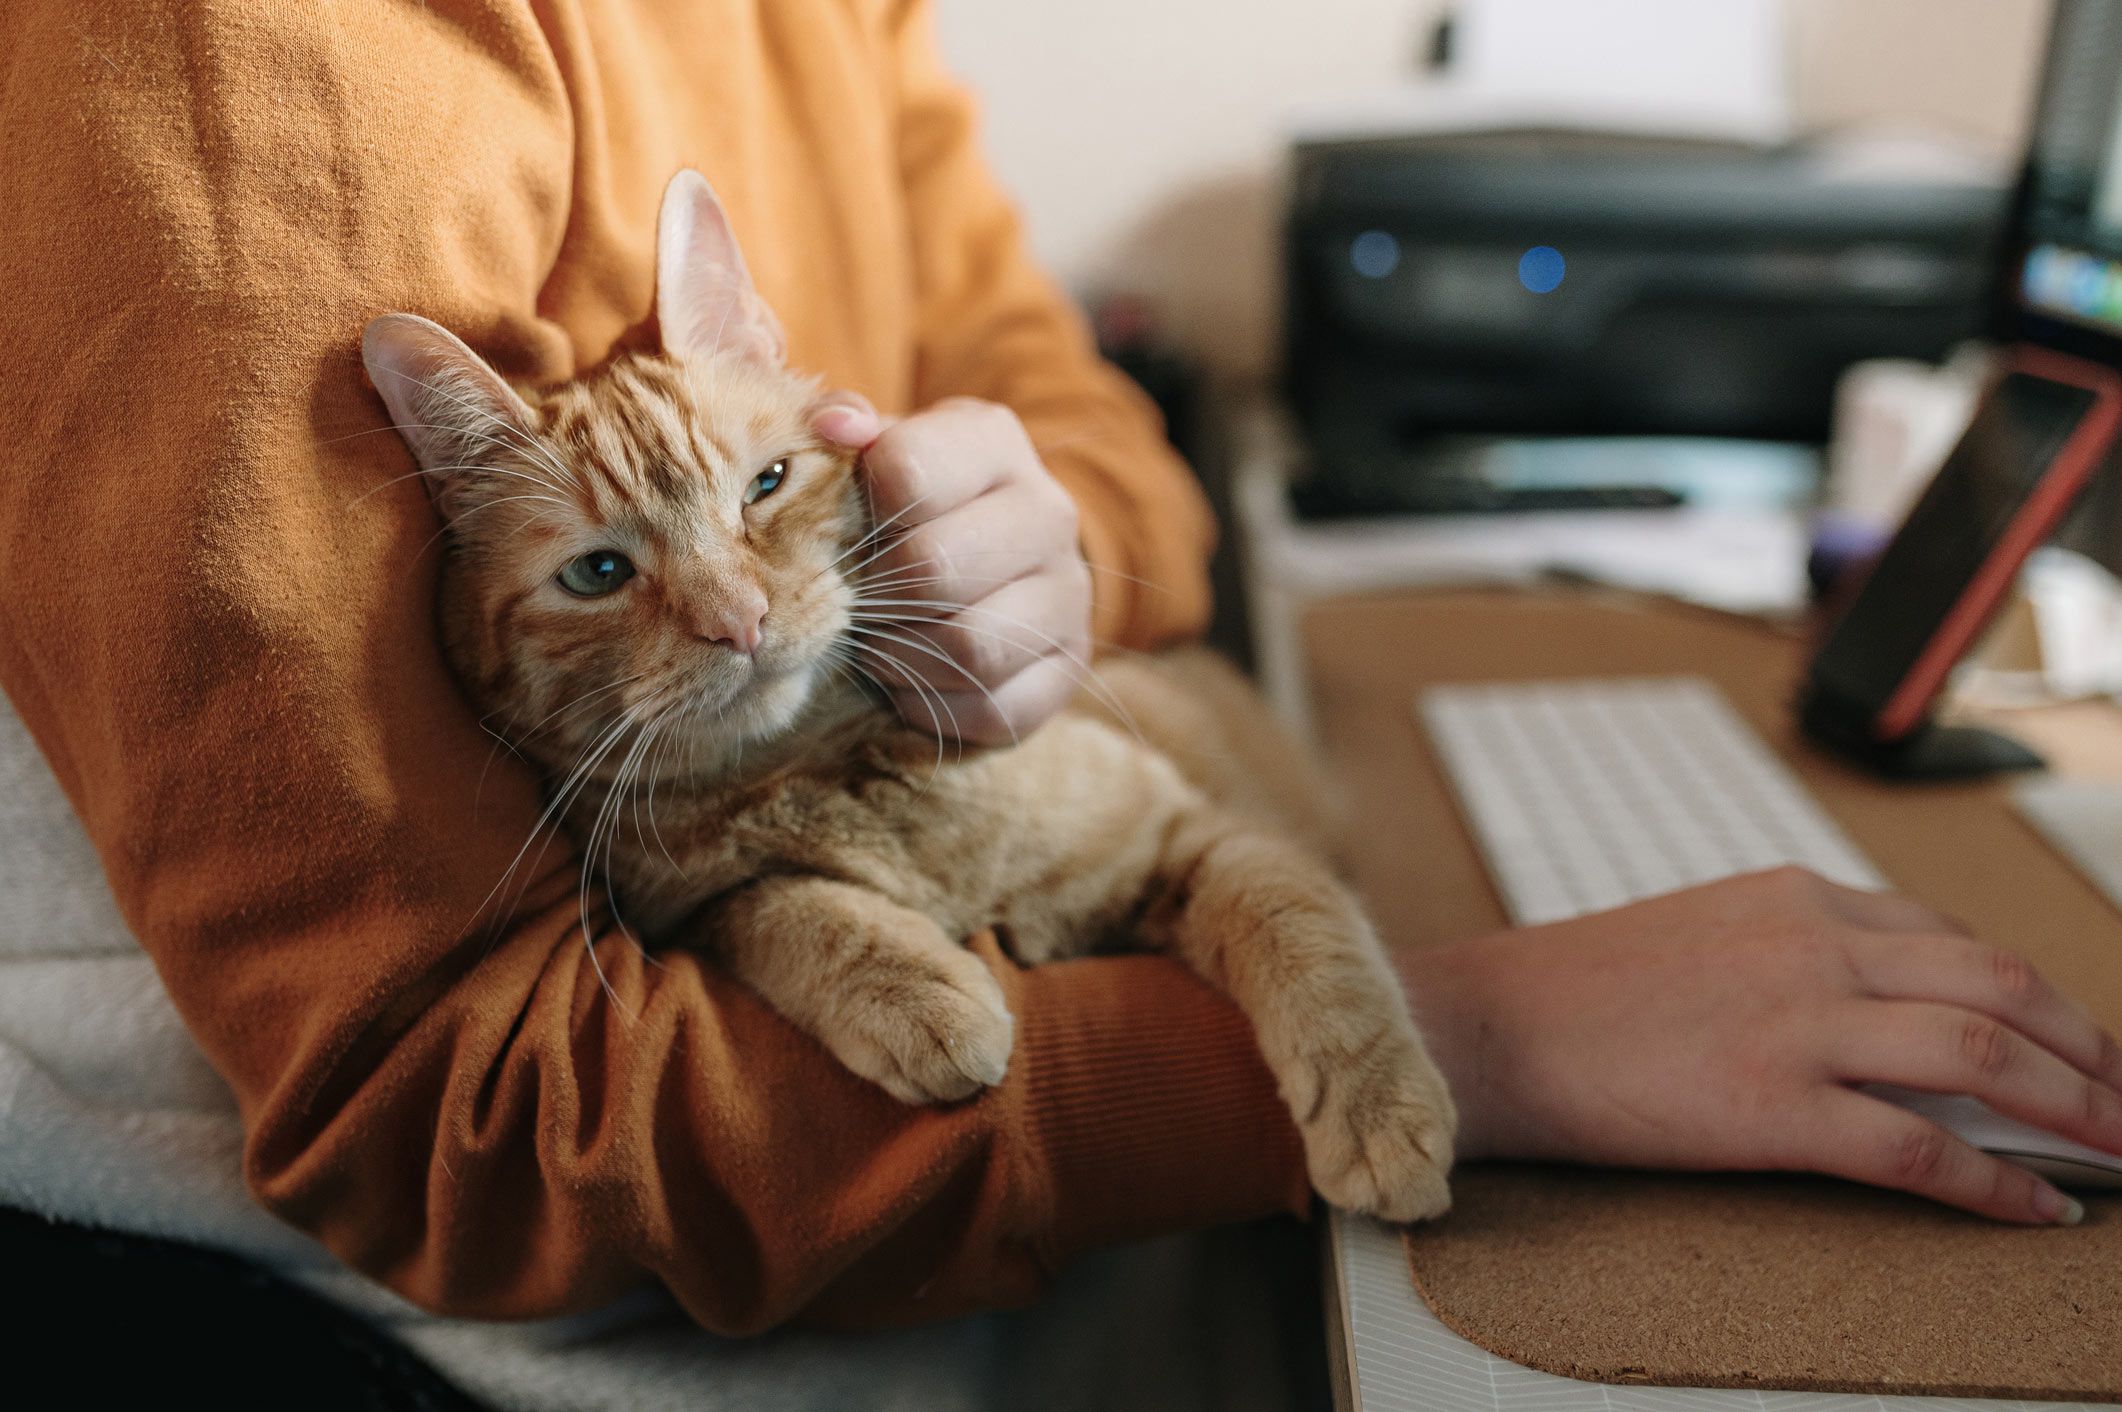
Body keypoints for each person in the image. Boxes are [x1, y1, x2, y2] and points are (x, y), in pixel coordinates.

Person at [3, 0, 2118, 1387]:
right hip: (560, 1298)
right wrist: (1467, 1038)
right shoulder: (238, 75)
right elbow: (467, 1133)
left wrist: (1045, 557)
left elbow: (1084, 426)